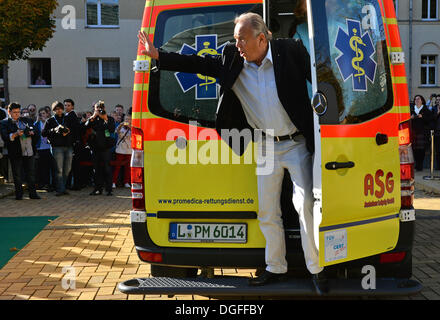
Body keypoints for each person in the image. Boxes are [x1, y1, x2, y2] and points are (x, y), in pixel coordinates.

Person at [138, 12, 327, 294]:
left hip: (296, 143)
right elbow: (199, 63)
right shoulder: (232, 56)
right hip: (265, 146)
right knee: (267, 210)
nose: (236, 44)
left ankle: (317, 270)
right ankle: (275, 267)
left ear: (261, 38)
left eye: (241, 39)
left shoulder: (289, 51)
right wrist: (159, 56)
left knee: (305, 206)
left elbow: (321, 72)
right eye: (235, 38)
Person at [0, 102, 41, 200]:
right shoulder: (4, 123)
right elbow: (5, 137)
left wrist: (32, 132)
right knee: (17, 174)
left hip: (29, 150)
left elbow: (35, 131)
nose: (17, 114)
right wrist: (15, 134)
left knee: (31, 173)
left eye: (18, 112)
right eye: (14, 112)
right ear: (9, 112)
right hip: (16, 152)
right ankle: (19, 195)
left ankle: (33, 194)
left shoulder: (26, 120)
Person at [42, 101, 79, 196]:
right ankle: (60, 189)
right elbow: (44, 133)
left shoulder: (68, 118)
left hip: (68, 146)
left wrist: (68, 131)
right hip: (56, 147)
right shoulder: (50, 120)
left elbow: (75, 129)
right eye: (56, 109)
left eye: (60, 108)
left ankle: (62, 187)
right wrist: (54, 130)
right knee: (59, 169)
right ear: (54, 110)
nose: (59, 110)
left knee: (67, 168)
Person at [85, 100, 116, 196]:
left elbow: (111, 129)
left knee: (107, 168)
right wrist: (93, 117)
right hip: (95, 148)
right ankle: (97, 189)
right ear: (94, 110)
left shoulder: (109, 118)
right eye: (97, 109)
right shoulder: (93, 119)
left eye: (101, 109)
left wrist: (105, 118)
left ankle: (109, 189)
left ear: (104, 109)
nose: (100, 111)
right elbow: (85, 127)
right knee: (96, 169)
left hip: (106, 147)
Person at [34, 107, 56, 190]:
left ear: (47, 114)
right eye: (40, 114)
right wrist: (37, 121)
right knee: (42, 168)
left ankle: (51, 184)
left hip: (49, 147)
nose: (42, 115)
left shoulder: (50, 122)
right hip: (40, 148)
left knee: (51, 167)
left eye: (44, 113)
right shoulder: (37, 124)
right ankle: (44, 184)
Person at [410, 95, 434, 171]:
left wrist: (422, 117)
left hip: (422, 132)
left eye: (418, 99)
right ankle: (417, 164)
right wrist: (411, 118)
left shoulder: (425, 109)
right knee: (414, 149)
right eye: (415, 99)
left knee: (422, 149)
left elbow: (431, 119)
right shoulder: (411, 109)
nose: (417, 100)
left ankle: (420, 165)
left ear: (422, 100)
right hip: (413, 132)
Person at [112, 114, 132, 188]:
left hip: (129, 150)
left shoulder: (132, 128)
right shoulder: (121, 127)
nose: (127, 120)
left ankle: (126, 182)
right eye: (126, 119)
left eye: (129, 119)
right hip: (120, 149)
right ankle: (113, 182)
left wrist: (130, 127)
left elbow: (135, 134)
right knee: (117, 167)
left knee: (128, 167)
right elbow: (116, 131)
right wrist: (120, 125)